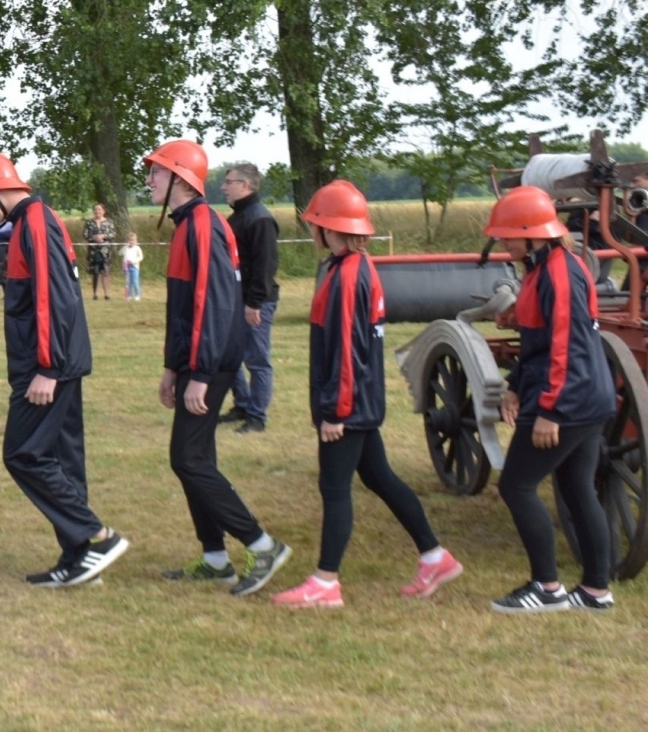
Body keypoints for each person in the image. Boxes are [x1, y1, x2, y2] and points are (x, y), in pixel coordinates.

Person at [271, 182, 461, 609]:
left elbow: (344, 351)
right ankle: (435, 557)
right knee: (379, 477)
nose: (312, 230)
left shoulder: (346, 277)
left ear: (328, 227)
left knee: (335, 487)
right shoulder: (355, 267)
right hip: (363, 401)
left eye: (315, 223)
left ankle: (326, 582)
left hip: (348, 406)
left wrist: (336, 412)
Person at [0, 151, 127, 588]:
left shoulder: (34, 222)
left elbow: (55, 298)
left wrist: (48, 368)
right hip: (56, 361)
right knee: (64, 460)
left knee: (23, 454)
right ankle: (81, 559)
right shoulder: (31, 222)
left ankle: (97, 537)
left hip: (50, 365)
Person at [146, 139, 290, 596]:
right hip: (198, 360)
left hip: (213, 362)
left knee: (187, 458)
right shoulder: (191, 224)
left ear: (181, 180)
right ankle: (215, 558)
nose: (148, 180)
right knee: (197, 458)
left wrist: (202, 373)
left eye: (156, 173)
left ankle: (262, 545)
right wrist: (173, 367)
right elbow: (183, 308)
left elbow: (213, 303)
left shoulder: (203, 226)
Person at [484, 186, 618, 613]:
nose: (503, 241)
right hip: (588, 397)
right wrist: (517, 385)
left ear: (533, 233)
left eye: (508, 234)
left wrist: (551, 411)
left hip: (569, 401)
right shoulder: (545, 268)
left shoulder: (557, 273)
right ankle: (596, 591)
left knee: (517, 485)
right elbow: (537, 343)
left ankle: (547, 588)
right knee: (578, 488)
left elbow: (566, 347)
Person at [223, 163, 280, 434]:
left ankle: (257, 417)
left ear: (245, 185)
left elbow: (265, 267)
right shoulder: (238, 217)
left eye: (229, 182)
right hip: (236, 300)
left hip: (256, 302)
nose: (223, 187)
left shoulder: (260, 219)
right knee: (230, 356)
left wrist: (254, 303)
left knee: (257, 360)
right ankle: (242, 405)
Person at [84, 204, 117, 300]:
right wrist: (94, 237)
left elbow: (113, 233)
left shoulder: (109, 222)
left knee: (106, 272)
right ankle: (95, 294)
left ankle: (107, 294)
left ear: (103, 211)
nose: (97, 211)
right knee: (95, 272)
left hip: (105, 251)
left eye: (99, 209)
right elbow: (85, 234)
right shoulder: (89, 222)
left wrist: (103, 236)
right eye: (95, 209)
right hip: (93, 251)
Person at [121, 232, 144, 301]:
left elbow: (141, 257)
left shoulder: (137, 248)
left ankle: (137, 295)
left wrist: (134, 261)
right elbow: (123, 256)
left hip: (135, 267)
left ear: (136, 241)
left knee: (135, 281)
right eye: (129, 240)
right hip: (127, 267)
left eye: (133, 240)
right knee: (128, 282)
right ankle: (129, 295)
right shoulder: (126, 248)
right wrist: (124, 267)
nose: (131, 242)